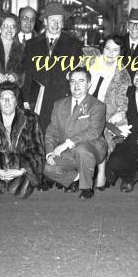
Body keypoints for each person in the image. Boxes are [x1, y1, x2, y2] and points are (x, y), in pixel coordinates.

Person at [43, 67, 108, 199]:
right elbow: (52, 131)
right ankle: (77, 178)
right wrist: (50, 152)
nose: (76, 85)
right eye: (73, 81)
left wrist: (67, 144)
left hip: (92, 148)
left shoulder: (97, 105)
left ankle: (86, 188)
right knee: (47, 169)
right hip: (69, 152)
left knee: (81, 148)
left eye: (81, 81)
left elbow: (94, 132)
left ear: (89, 84)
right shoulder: (59, 104)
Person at [0, 82, 44, 198]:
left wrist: (23, 170)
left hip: (20, 168)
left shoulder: (31, 119)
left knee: (21, 190)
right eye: (3, 98)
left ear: (16, 102)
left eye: (11, 98)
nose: (7, 102)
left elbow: (37, 150)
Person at [23, 2, 83, 133]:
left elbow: (80, 73)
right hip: (38, 101)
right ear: (45, 21)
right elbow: (27, 74)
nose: (56, 25)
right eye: (52, 20)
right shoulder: (32, 45)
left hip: (62, 99)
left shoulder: (74, 45)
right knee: (37, 138)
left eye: (59, 21)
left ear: (63, 23)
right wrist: (26, 100)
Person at [86, 36, 132, 189]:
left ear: (120, 53)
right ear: (102, 48)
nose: (111, 53)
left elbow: (122, 100)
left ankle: (101, 173)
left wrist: (120, 112)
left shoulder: (122, 75)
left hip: (105, 113)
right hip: (82, 108)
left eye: (115, 50)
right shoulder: (88, 61)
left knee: (100, 136)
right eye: (107, 48)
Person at [106, 67, 138, 192]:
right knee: (114, 162)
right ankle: (129, 176)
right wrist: (113, 121)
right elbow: (109, 117)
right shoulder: (124, 93)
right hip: (129, 141)